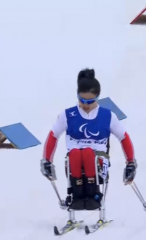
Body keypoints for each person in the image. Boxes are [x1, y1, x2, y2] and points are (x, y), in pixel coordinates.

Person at [40, 68, 137, 211]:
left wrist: (130, 163)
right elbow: (53, 136)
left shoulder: (108, 116)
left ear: (97, 98)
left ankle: (93, 194)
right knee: (74, 154)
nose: (85, 105)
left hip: (98, 160)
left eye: (90, 101)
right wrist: (47, 160)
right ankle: (77, 196)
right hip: (74, 160)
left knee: (86, 153)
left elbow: (124, 138)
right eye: (82, 100)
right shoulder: (68, 114)